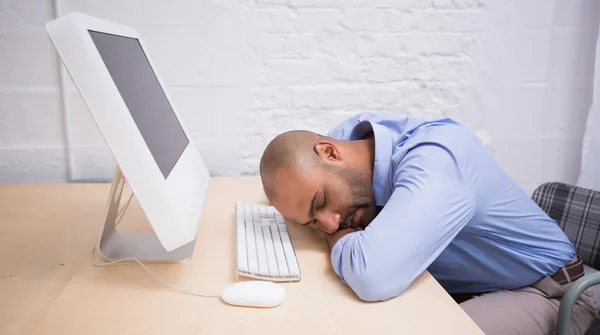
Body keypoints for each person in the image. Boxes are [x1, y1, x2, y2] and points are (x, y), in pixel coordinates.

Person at [259, 112, 598, 335]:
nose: (330, 224)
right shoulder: (350, 143)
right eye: (313, 221)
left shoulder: (434, 158)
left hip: (551, 291)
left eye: (321, 203)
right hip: (477, 284)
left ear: (330, 153)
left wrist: (344, 238)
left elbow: (372, 275)